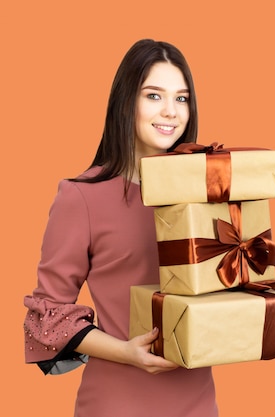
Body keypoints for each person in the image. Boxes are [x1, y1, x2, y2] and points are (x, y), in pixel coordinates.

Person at [23, 39, 219, 417]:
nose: (171, 111)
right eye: (154, 95)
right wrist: (128, 352)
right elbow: (47, 314)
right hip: (118, 403)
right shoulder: (81, 196)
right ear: (126, 101)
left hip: (198, 401)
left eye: (181, 98)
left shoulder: (206, 191)